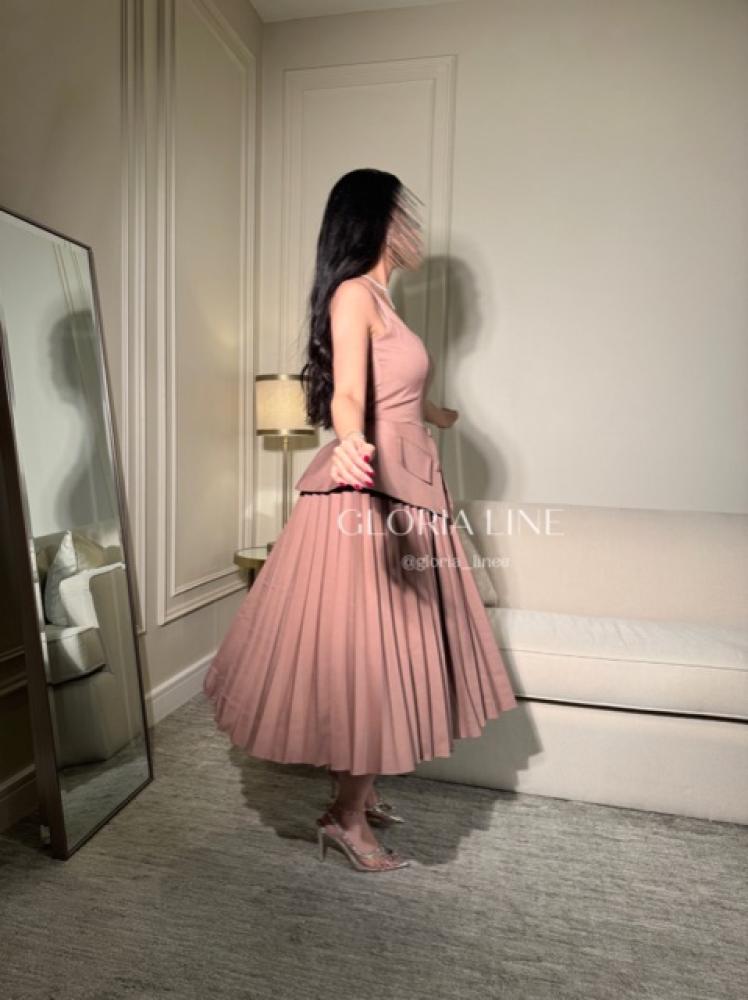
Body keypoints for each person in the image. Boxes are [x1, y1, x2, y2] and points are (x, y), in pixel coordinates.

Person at [203, 168, 518, 873]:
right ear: (375, 221)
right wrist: (351, 442)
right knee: (374, 655)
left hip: (407, 482)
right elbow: (349, 393)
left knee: (389, 646)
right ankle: (345, 820)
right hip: (373, 492)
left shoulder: (383, 301)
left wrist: (436, 414)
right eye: (403, 214)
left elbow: (389, 387)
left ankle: (359, 793)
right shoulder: (354, 295)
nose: (413, 228)